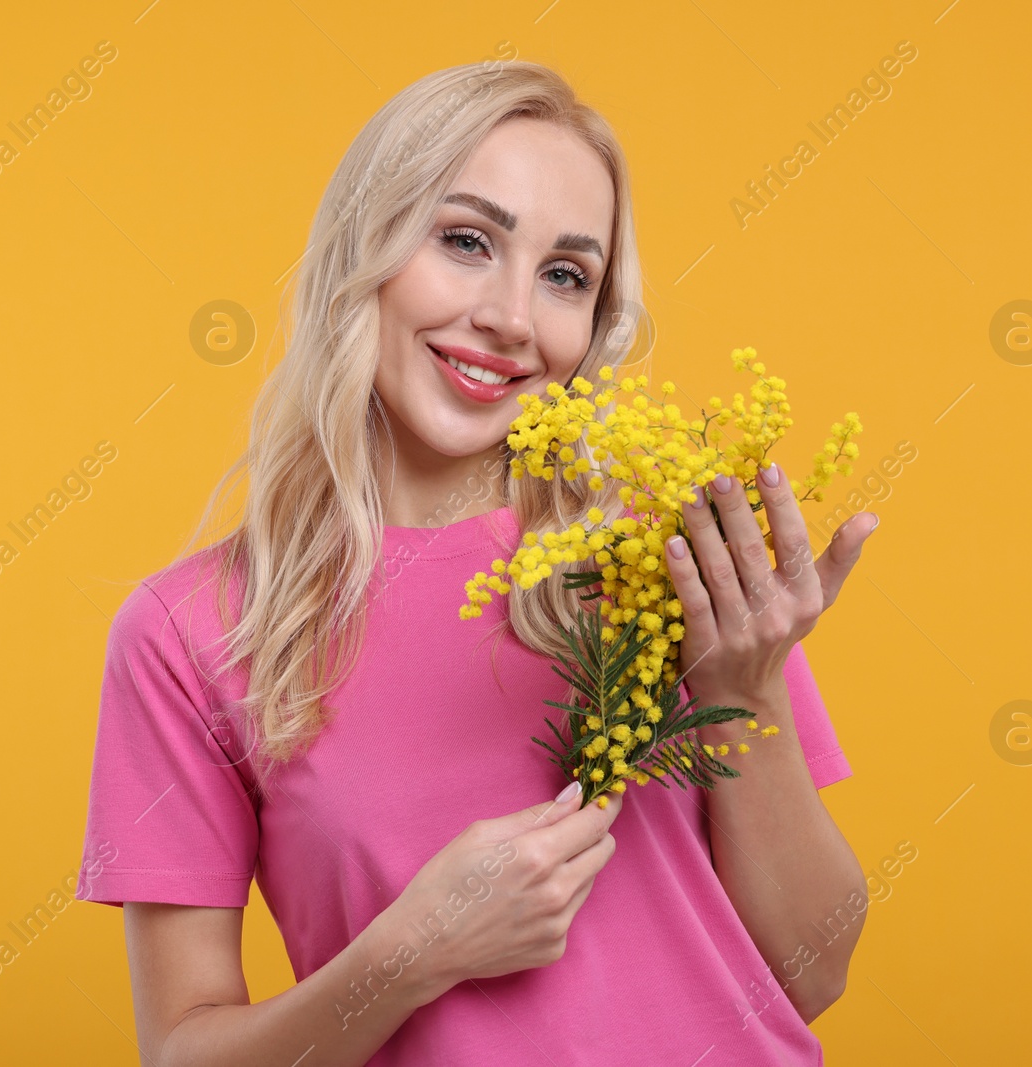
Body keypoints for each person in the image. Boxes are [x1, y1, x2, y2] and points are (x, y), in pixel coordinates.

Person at [74, 58, 876, 1066]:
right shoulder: (193, 633)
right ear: (361, 250)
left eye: (563, 275)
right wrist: (413, 950)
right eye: (465, 241)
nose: (508, 315)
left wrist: (741, 683)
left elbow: (815, 969)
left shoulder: (659, 557)